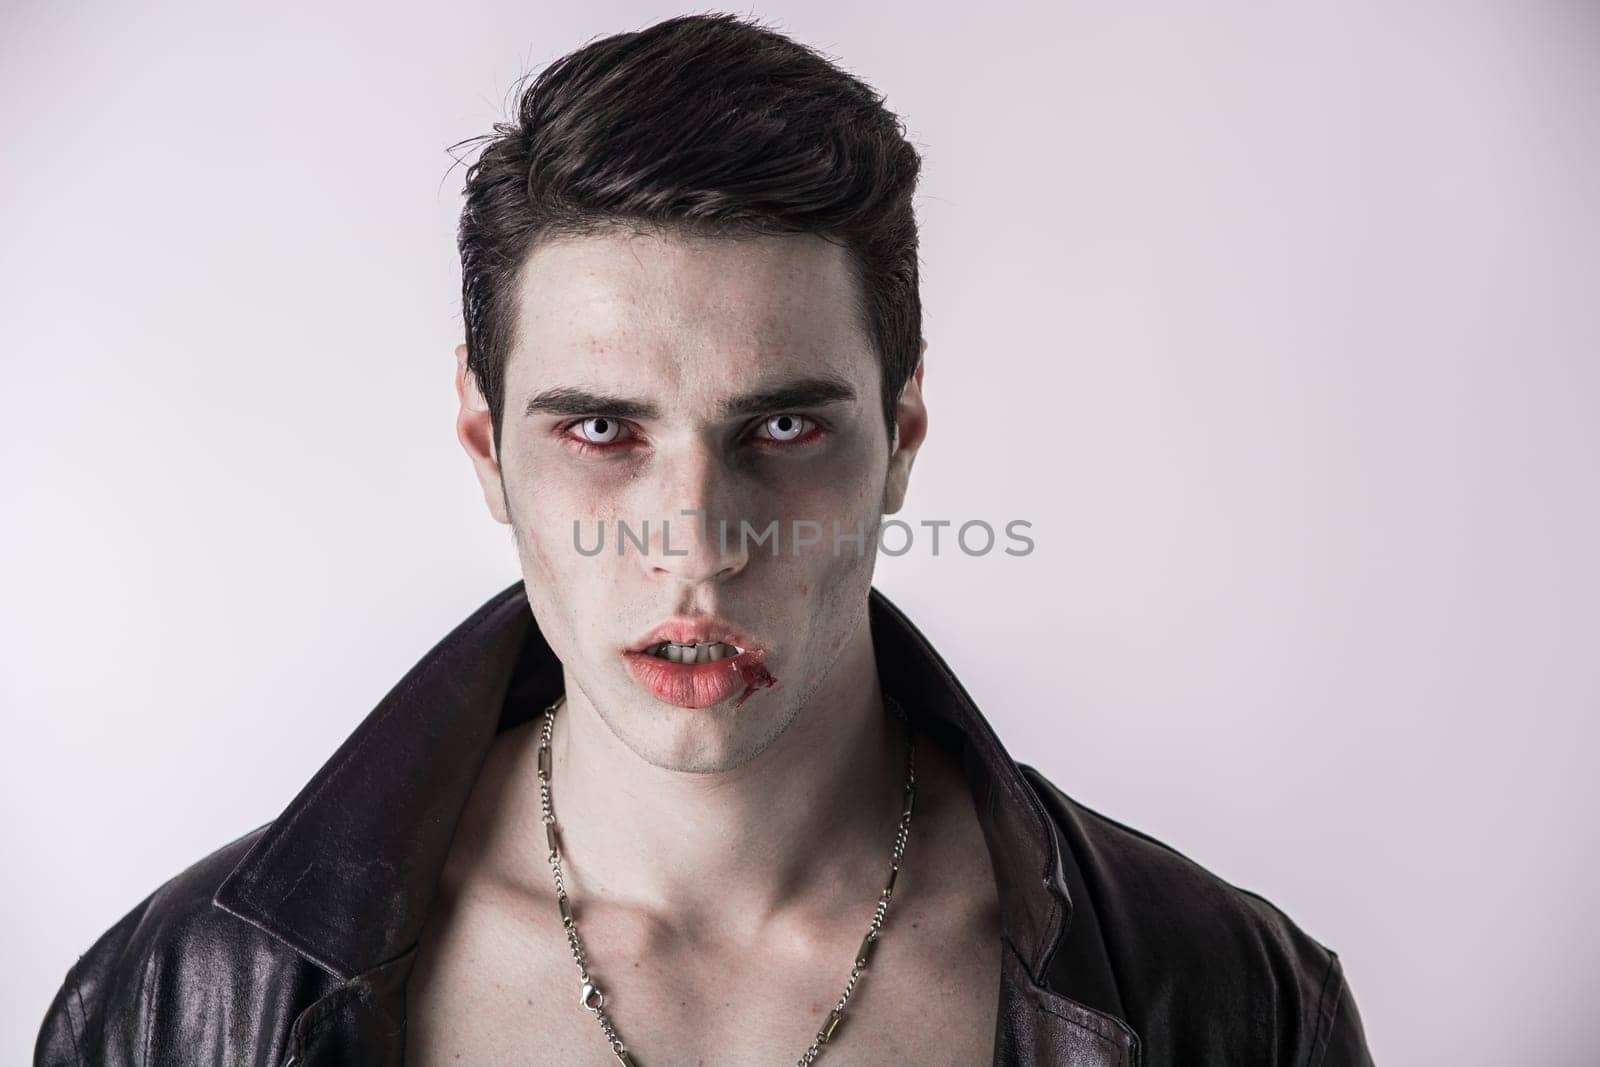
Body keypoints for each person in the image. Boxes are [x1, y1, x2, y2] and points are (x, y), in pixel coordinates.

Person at [35, 13, 1373, 1066]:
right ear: (480, 441)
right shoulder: (179, 1004)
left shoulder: (1227, 997)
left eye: (783, 432)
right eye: (603, 432)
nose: (699, 545)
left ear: (902, 438)